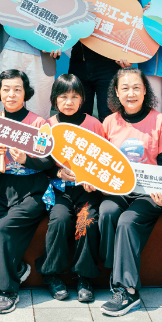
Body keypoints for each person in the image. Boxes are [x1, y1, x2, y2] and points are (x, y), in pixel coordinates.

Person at [98, 68, 162, 317]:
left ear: (145, 91)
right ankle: (116, 271)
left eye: (136, 88)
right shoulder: (109, 122)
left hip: (149, 194)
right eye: (125, 88)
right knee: (107, 212)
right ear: (116, 92)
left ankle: (127, 290)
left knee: (127, 221)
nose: (130, 93)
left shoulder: (160, 120)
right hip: (119, 191)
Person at [0, 70, 55, 314]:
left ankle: (7, 290)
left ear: (25, 93)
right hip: (2, 186)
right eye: (6, 89)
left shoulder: (38, 123)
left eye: (17, 89)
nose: (11, 94)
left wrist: (27, 159)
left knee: (4, 227)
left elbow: (49, 161)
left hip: (33, 188)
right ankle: (16, 270)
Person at [62, 0, 140, 120]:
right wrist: (74, 9)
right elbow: (63, 25)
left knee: (111, 119)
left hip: (110, 65)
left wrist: (129, 54)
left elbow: (135, 24)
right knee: (78, 117)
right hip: (79, 62)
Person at [39, 74, 102, 303]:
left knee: (87, 221)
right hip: (59, 190)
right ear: (55, 99)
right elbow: (40, 162)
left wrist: (93, 178)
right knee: (60, 220)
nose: (69, 102)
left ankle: (83, 277)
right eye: (63, 96)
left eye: (74, 97)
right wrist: (57, 172)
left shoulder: (94, 124)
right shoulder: (47, 126)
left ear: (82, 99)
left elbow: (105, 161)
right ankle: (51, 274)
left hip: (87, 190)